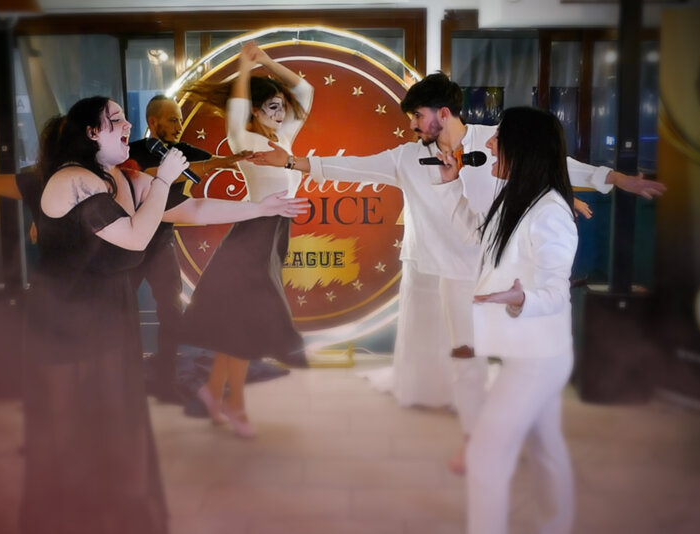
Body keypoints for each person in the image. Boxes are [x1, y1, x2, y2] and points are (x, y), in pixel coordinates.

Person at [249, 72, 666, 468]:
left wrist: (613, 178)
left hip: (491, 265)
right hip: (442, 267)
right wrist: (293, 163)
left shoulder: (494, 142)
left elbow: (551, 163)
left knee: (500, 359)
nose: (412, 125)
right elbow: (353, 166)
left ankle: (512, 436)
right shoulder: (407, 157)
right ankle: (475, 436)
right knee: (462, 357)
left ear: (443, 113)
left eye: (417, 116)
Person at [14, 95, 307, 534]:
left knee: (118, 428)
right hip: (64, 322)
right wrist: (163, 179)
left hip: (109, 314)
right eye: (115, 120)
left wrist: (261, 208)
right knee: (70, 433)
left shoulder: (120, 177)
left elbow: (191, 209)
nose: (128, 125)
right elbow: (135, 237)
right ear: (91, 133)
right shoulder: (73, 180)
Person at [437, 106, 580, 534]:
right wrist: (450, 185)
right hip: (532, 350)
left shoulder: (550, 212)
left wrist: (522, 299)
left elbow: (556, 290)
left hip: (537, 358)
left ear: (524, 147)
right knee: (547, 450)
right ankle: (556, 525)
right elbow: (478, 237)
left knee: (485, 455)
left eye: (499, 137)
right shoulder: (518, 198)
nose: (489, 143)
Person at [178, 41, 313, 438]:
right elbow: (237, 108)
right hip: (252, 237)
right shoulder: (243, 139)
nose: (280, 113)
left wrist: (266, 61)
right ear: (254, 110)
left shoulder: (284, 139)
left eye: (281, 107)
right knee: (247, 324)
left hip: (272, 236)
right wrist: (243, 68)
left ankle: (213, 391)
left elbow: (305, 90)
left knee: (240, 327)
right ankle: (233, 403)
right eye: (271, 107)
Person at [128, 94, 252, 403]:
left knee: (172, 314)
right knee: (119, 311)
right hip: (129, 244)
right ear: (153, 121)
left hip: (161, 245)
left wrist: (235, 159)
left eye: (180, 120)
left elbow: (213, 161)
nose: (179, 126)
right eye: (173, 120)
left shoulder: (183, 151)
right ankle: (122, 380)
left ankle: (165, 381)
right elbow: (135, 177)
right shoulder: (132, 152)